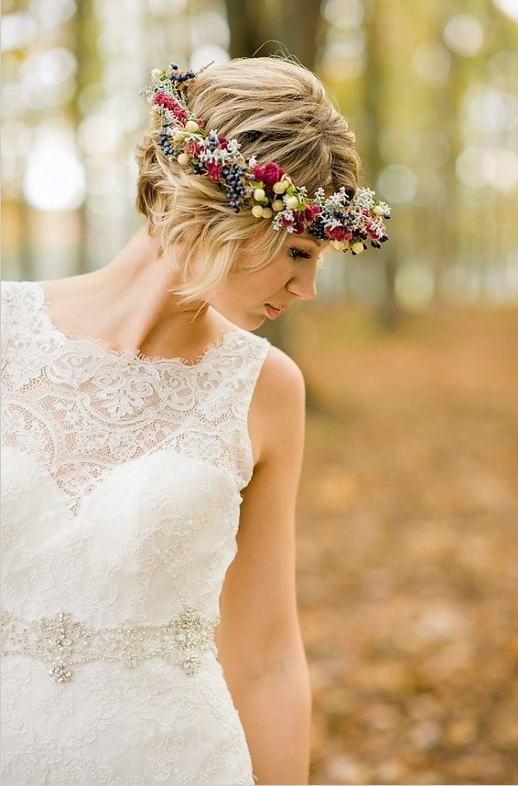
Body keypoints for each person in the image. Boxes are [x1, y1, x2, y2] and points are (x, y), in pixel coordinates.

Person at [0, 56, 390, 786]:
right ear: (225, 206)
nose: (307, 287)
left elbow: (269, 654)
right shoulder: (4, 329)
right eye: (300, 251)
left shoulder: (267, 389)